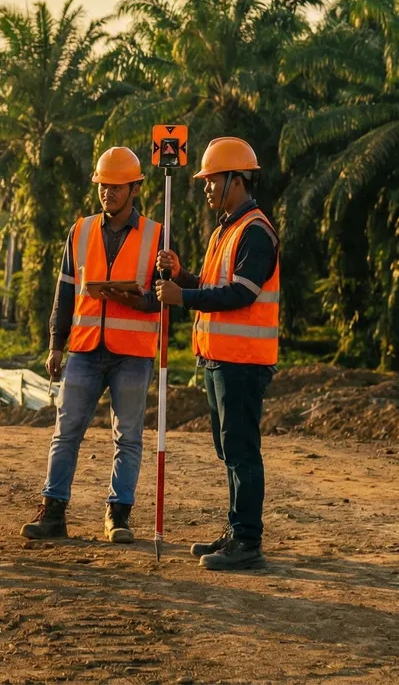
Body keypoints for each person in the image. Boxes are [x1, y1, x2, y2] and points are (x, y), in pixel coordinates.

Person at [24, 147, 164, 544]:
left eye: (116, 187)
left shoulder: (157, 235)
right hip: (84, 349)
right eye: (103, 186)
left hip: (133, 353)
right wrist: (56, 344)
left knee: (129, 436)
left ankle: (118, 516)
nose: (108, 194)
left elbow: (163, 296)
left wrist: (131, 298)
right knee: (65, 431)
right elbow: (64, 293)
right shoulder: (80, 231)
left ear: (134, 188)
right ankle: (53, 513)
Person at [153, 137, 279, 571]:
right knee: (229, 451)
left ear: (236, 180)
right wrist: (182, 274)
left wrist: (180, 296)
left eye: (212, 180)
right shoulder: (226, 229)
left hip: (242, 361)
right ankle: (235, 531)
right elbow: (210, 287)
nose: (205, 188)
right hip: (218, 358)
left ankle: (248, 541)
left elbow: (240, 295)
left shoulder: (256, 232)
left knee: (242, 450)